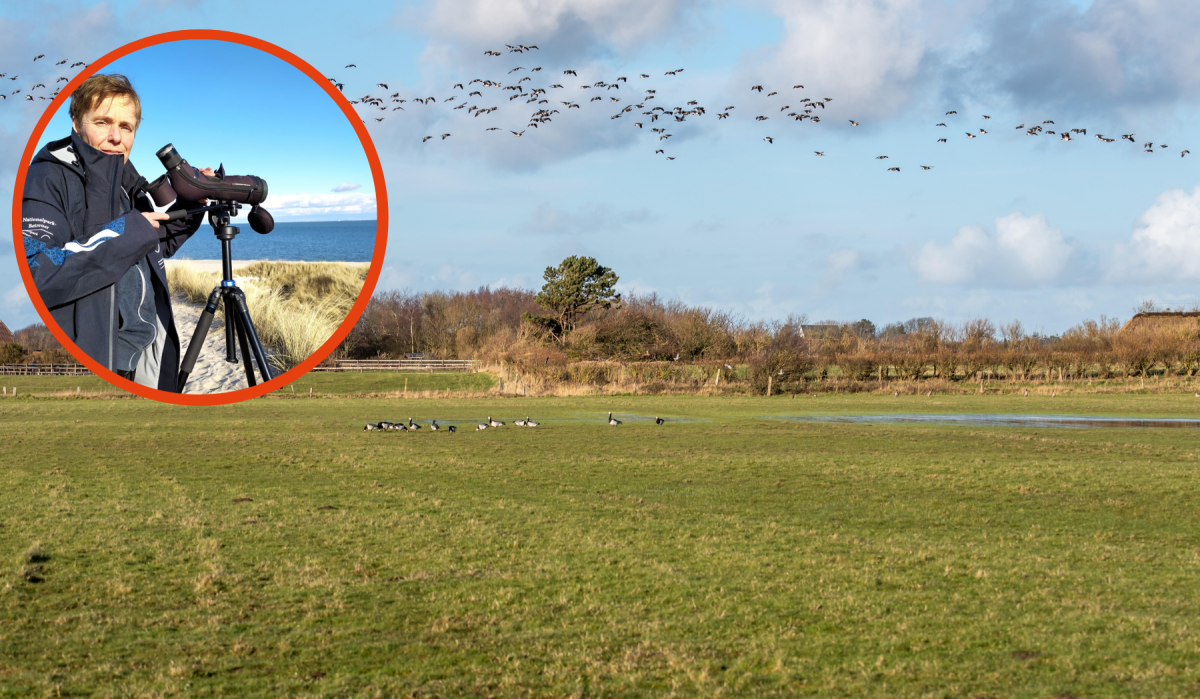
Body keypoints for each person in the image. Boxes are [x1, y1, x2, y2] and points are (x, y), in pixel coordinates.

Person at [22, 74, 212, 391]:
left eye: (126, 127)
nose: (115, 137)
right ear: (75, 122)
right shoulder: (47, 178)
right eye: (102, 122)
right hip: (99, 362)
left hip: (145, 358)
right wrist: (127, 233)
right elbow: (37, 270)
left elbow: (151, 246)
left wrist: (189, 207)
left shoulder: (127, 180)